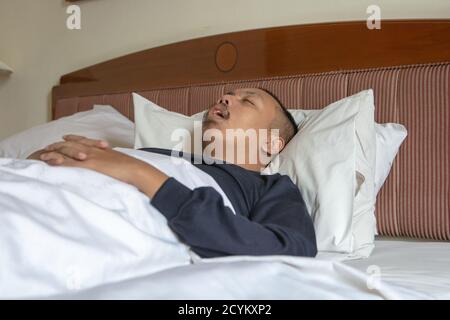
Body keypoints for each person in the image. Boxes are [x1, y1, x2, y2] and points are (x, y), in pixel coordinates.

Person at [28, 88, 317, 258]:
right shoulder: (155, 154)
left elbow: (291, 251)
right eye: (228, 94)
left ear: (270, 143)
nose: (226, 97)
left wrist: (140, 173)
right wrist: (40, 158)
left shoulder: (269, 187)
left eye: (248, 101)